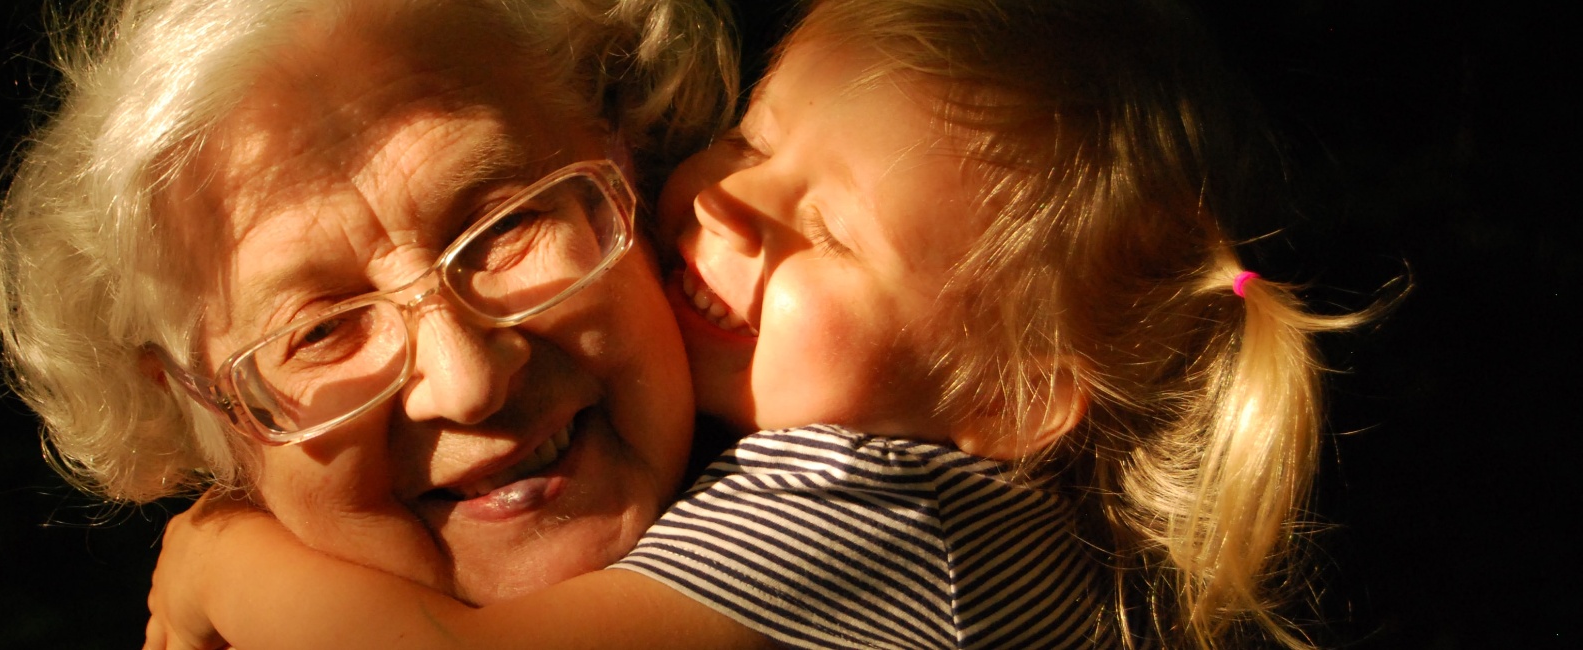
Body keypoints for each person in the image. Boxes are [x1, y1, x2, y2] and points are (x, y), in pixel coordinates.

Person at [144, 0, 1389, 648]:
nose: (727, 204)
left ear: (1007, 396)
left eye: (831, 235)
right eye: (752, 139)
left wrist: (219, 560)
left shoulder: (881, 512)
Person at [0, 0, 738, 610]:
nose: (468, 384)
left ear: (630, 169)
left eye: (502, 228)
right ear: (199, 410)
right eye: (322, 330)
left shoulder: (810, 479)